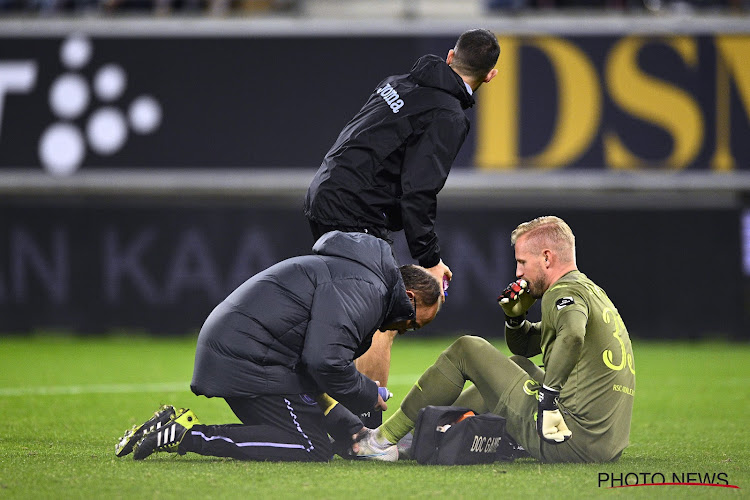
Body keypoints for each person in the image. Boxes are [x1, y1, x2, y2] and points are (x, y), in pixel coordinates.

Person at [304, 28, 501, 424]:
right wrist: (429, 258)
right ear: (490, 75)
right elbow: (418, 191)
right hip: (355, 211)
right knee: (382, 318)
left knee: (346, 313)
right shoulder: (448, 115)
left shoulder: (398, 83)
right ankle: (364, 427)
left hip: (325, 194)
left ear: (449, 56)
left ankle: (328, 415)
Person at [113, 230, 443, 462]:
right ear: (409, 297)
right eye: (413, 323)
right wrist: (366, 393)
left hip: (248, 350)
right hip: (246, 357)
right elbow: (323, 362)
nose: (406, 329)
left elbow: (313, 369)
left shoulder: (362, 280)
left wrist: (354, 430)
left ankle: (170, 424)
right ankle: (186, 434)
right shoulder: (367, 292)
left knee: (311, 428)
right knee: (311, 446)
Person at [355, 216, 636, 463]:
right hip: (604, 444)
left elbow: (572, 336)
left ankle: (381, 440)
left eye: (522, 262)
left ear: (547, 258)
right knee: (518, 365)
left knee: (467, 349)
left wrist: (548, 401)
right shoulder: (589, 290)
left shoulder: (560, 294)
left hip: (568, 437)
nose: (518, 273)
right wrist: (515, 320)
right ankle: (417, 436)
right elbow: (528, 347)